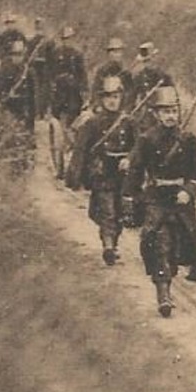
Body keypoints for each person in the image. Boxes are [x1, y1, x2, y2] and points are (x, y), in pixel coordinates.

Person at [124, 85, 196, 317]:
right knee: (156, 240)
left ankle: (178, 273)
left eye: (174, 110)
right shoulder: (147, 139)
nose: (170, 115)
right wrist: (131, 197)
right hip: (157, 199)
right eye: (165, 111)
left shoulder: (188, 140)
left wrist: (189, 191)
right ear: (157, 114)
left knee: (182, 243)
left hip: (181, 201)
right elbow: (136, 170)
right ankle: (164, 294)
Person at [65, 74, 135, 265]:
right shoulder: (92, 123)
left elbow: (139, 147)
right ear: (102, 99)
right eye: (109, 97)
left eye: (116, 97)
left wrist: (130, 158)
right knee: (107, 211)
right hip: (102, 173)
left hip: (122, 174)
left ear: (121, 99)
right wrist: (75, 174)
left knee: (119, 212)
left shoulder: (128, 122)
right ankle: (108, 246)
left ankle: (113, 242)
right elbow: (80, 149)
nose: (112, 101)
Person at [0, 37, 37, 131]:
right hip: (10, 106)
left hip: (24, 107)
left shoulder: (28, 72)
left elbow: (33, 94)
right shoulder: (6, 70)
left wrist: (31, 116)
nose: (17, 58)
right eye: (14, 55)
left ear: (23, 56)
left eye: (20, 55)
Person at [130, 41, 174, 131]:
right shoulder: (139, 78)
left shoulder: (164, 77)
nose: (148, 63)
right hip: (144, 117)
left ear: (155, 58)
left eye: (150, 60)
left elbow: (172, 99)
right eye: (145, 61)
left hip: (163, 115)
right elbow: (131, 98)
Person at [92, 37, 132, 103]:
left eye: (119, 52)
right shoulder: (102, 71)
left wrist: (125, 109)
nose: (117, 55)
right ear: (109, 54)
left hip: (121, 105)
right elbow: (96, 90)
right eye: (114, 52)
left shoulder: (126, 73)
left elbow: (130, 92)